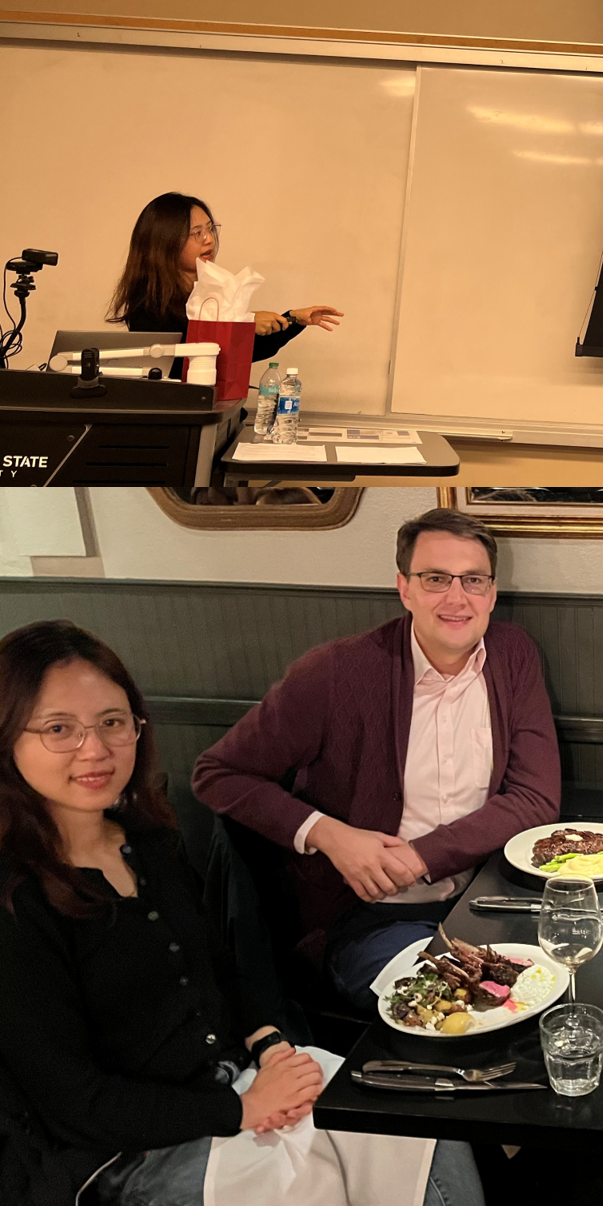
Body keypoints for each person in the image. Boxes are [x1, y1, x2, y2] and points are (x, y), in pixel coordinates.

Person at [0, 619, 483, 1206]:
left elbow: (219, 967)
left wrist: (270, 1043)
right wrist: (241, 1108)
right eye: (59, 729)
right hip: (131, 1150)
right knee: (311, 1188)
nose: (95, 749)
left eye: (112, 722)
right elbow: (74, 1103)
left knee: (421, 1122)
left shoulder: (148, 841)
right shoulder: (16, 899)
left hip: (240, 1078)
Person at [192, 506, 561, 1011]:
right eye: (436, 579)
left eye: (473, 580)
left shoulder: (511, 653)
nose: (457, 598)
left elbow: (534, 796)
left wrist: (422, 855)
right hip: (372, 919)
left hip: (490, 900)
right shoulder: (336, 672)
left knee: (557, 991)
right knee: (445, 1010)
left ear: (492, 593)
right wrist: (329, 834)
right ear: (404, 588)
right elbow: (217, 773)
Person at [107, 192, 343, 366]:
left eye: (210, 229)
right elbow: (180, 362)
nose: (209, 239)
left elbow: (242, 352)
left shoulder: (211, 290)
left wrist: (293, 319)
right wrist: (243, 325)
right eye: (197, 233)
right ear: (164, 243)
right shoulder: (147, 303)